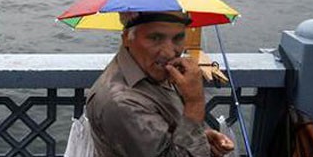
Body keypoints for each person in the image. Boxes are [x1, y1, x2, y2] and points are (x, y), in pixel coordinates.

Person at [86, 11, 235, 156]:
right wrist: (195, 102)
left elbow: (161, 139)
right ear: (127, 38)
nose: (169, 53)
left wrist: (201, 138)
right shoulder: (120, 102)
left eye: (178, 38)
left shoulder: (149, 71)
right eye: (155, 38)